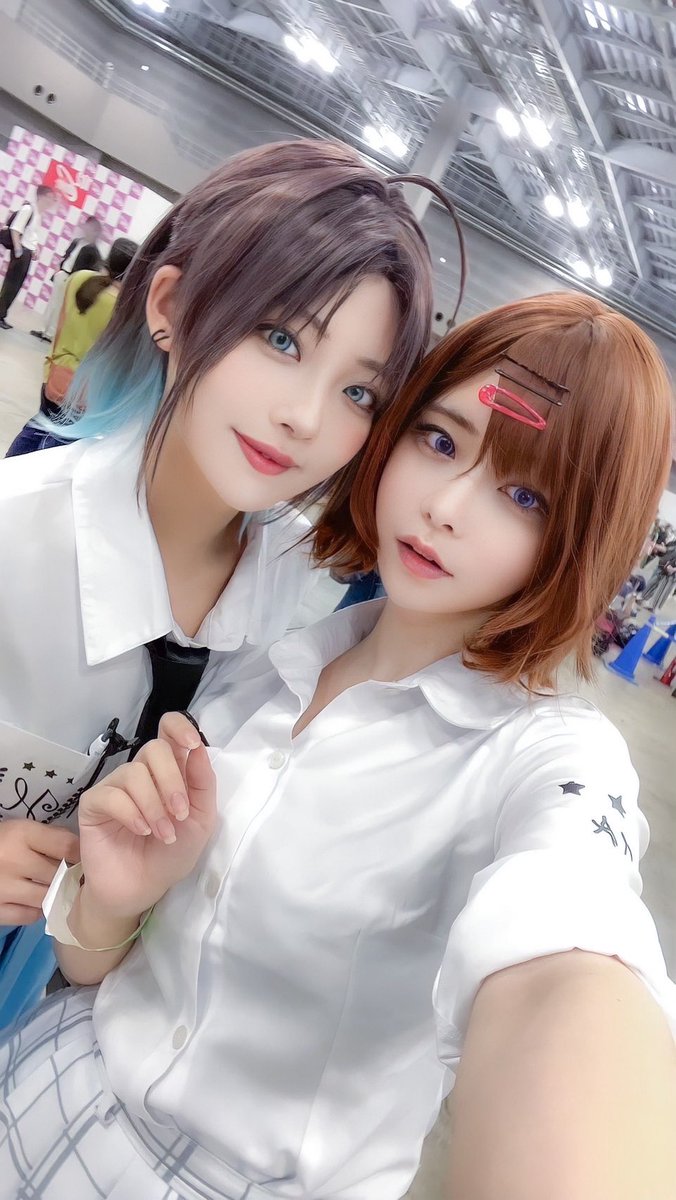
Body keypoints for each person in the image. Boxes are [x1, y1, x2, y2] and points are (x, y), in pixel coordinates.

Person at [4, 293, 675, 1200]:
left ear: (584, 539)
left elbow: (574, 949)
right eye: (439, 441)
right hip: (42, 1088)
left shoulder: (546, 761)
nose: (444, 507)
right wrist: (109, 907)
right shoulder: (263, 668)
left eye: (525, 496)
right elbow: (99, 972)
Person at [0, 137, 461, 1026]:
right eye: (281, 339)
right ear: (171, 306)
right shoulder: (16, 530)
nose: (305, 417)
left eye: (359, 394)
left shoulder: (297, 596)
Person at [6, 238, 138, 457]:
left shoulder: (80, 279)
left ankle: (8, 468)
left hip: (55, 373)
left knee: (35, 429)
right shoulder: (124, 309)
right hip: (85, 392)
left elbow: (61, 326)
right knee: (57, 448)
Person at [30, 213, 104, 343]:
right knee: (52, 303)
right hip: (62, 274)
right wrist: (58, 269)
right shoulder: (77, 241)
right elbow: (66, 255)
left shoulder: (93, 250)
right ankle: (43, 329)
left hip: (73, 279)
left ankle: (51, 334)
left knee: (61, 306)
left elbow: (91, 270)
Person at [0, 184, 57, 329]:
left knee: (15, 286)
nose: (51, 201)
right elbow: (15, 229)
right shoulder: (28, 209)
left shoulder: (38, 213)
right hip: (21, 252)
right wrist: (18, 249)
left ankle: (2, 314)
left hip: (26, 252)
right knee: (11, 285)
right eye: (50, 197)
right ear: (41, 196)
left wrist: (35, 248)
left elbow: (31, 235)